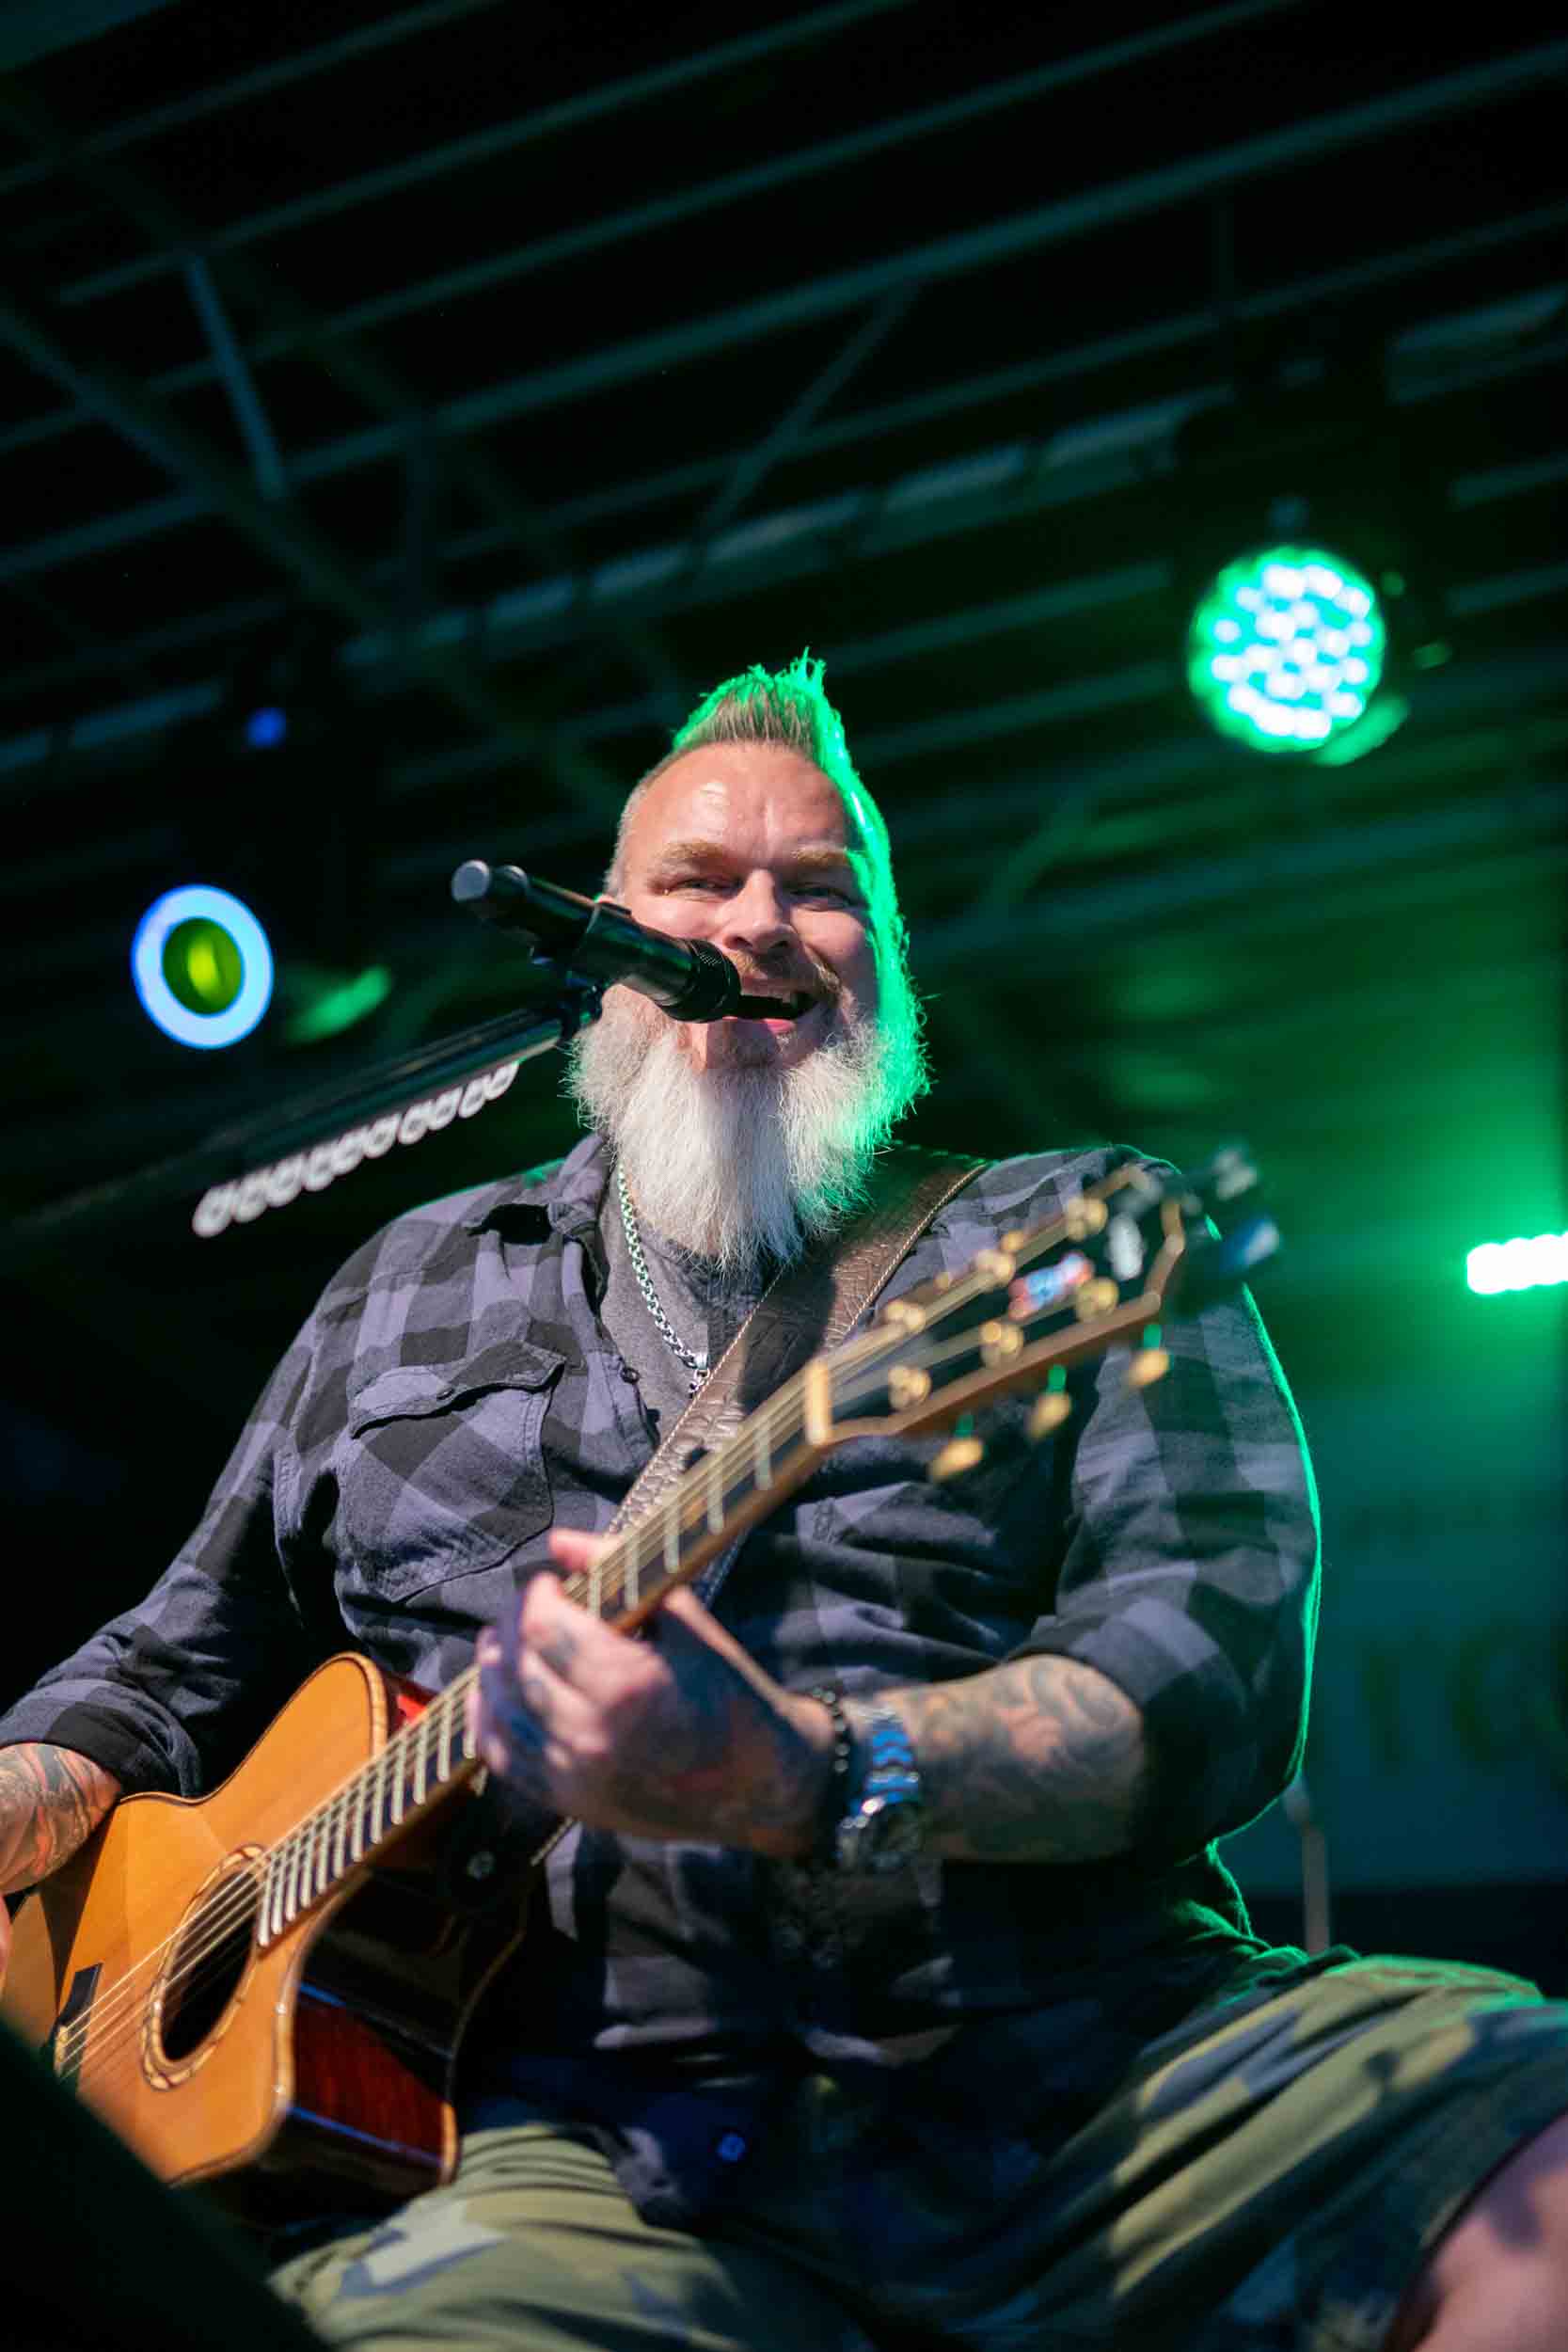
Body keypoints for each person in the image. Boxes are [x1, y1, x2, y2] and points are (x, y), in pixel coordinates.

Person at [3, 651, 1567, 2351]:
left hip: (1084, 2073)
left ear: (885, 966)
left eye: (821, 891)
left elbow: (1209, 1668)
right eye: (698, 882)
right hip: (563, 2137)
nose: (758, 921)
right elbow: (168, 1667)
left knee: (1536, 2141)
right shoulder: (403, 1285)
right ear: (605, 947)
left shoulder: (1065, 1238)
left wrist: (813, 1775)